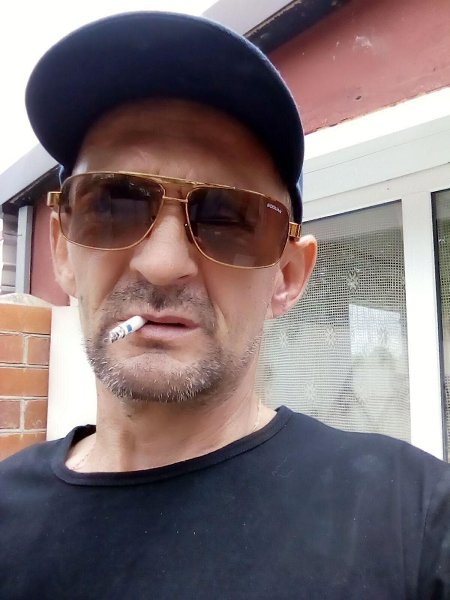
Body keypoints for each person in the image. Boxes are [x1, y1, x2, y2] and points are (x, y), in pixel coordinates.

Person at [1, 11, 449, 600]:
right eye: (111, 205)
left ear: (287, 276)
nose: (162, 264)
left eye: (229, 219)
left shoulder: (416, 523)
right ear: (63, 251)